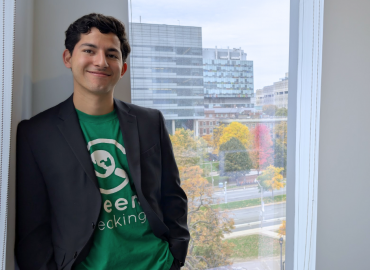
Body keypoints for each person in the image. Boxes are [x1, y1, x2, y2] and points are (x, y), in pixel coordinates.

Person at [15, 13, 189, 270]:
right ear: (68, 58)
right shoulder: (36, 133)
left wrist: (175, 255)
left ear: (123, 67)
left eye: (112, 54)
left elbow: (172, 195)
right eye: (89, 50)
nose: (101, 62)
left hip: (157, 263)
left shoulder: (150, 121)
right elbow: (32, 226)